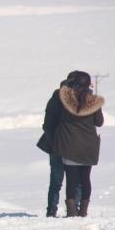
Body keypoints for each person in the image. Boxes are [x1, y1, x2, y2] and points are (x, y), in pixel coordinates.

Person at [52, 71, 105, 217]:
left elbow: (62, 94)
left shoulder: (66, 101)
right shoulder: (93, 101)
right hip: (88, 147)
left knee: (71, 180)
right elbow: (99, 122)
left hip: (70, 146)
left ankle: (71, 211)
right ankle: (83, 211)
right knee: (85, 179)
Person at [37, 72, 82, 217]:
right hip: (71, 146)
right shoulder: (74, 99)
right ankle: (74, 208)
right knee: (75, 180)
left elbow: (47, 124)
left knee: (56, 181)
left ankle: (51, 210)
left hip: (55, 146)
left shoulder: (55, 98)